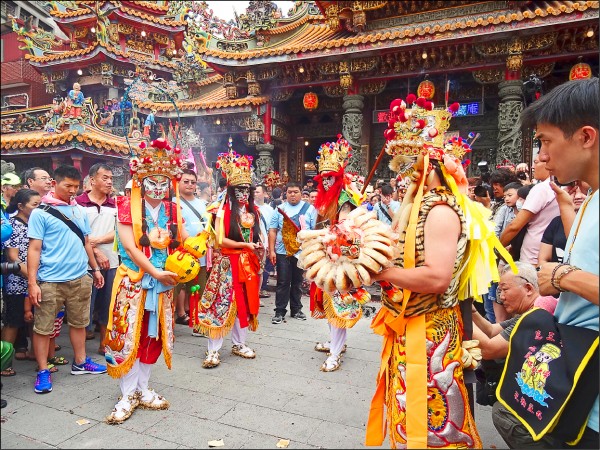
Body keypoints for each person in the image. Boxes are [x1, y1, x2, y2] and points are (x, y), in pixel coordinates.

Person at [365, 95, 509, 448]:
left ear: (428, 165)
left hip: (431, 330)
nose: (401, 175)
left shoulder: (440, 210)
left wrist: (382, 274)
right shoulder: (419, 208)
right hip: (411, 324)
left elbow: (436, 277)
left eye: (407, 165)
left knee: (434, 416)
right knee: (407, 406)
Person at [493, 77, 599, 449]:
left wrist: (564, 276)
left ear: (586, 137)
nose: (540, 157)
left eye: (545, 142)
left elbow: (570, 275)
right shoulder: (586, 204)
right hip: (576, 382)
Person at [104, 137, 187, 424]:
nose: (159, 187)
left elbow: (184, 242)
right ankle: (127, 393)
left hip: (163, 285)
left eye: (164, 181)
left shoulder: (173, 210)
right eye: (153, 180)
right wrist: (154, 272)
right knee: (128, 337)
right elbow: (129, 247)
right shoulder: (126, 205)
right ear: (140, 180)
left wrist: (194, 251)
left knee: (154, 336)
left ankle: (143, 387)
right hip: (133, 283)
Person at [27, 165, 106, 395]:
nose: (72, 191)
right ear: (55, 184)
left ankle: (80, 362)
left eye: (76, 186)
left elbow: (86, 242)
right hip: (50, 280)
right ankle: (43, 369)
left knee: (80, 323)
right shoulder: (40, 213)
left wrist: (95, 270)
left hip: (80, 277)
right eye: (67, 186)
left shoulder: (79, 210)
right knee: (43, 327)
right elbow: (34, 248)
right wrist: (33, 283)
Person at [194, 150, 262, 369]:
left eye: (246, 190)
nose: (243, 194)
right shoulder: (221, 211)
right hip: (227, 265)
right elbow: (221, 241)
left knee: (244, 303)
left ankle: (239, 343)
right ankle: (213, 350)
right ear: (231, 190)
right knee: (220, 304)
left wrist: (257, 248)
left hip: (246, 263)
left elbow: (254, 237)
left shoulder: (254, 212)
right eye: (239, 190)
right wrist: (245, 245)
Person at [309, 135, 367, 372]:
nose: (325, 183)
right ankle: (335, 343)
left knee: (339, 304)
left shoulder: (345, 199)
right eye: (323, 178)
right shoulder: (326, 199)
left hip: (340, 259)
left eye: (330, 178)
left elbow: (344, 230)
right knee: (328, 301)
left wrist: (325, 237)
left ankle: (335, 352)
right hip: (326, 258)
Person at [75, 163, 118, 354]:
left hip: (112, 261)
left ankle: (104, 342)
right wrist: (95, 251)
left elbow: (119, 232)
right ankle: (81, 349)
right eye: (105, 178)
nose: (109, 182)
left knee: (109, 303)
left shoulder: (116, 204)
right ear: (92, 180)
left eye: (111, 178)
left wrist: (96, 242)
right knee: (85, 304)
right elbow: (76, 233)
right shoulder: (78, 204)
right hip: (84, 263)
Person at [1, 190, 42, 377]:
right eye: (34, 205)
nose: (38, 208)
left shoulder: (35, 223)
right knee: (14, 321)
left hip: (34, 279)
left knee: (35, 319)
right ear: (20, 206)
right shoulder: (13, 225)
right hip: (18, 282)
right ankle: (5, 363)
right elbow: (13, 257)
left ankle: (36, 353)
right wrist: (32, 278)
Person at [269, 181, 317, 325]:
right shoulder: (279, 209)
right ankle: (279, 311)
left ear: (302, 193)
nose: (293, 194)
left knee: (297, 281)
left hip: (301, 252)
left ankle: (296, 309)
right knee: (283, 281)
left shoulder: (310, 209)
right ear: (286, 194)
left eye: (296, 192)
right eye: (290, 192)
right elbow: (272, 230)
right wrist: (271, 250)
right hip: (283, 251)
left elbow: (314, 231)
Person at [500, 155, 559, 265]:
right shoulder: (559, 187)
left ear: (548, 163)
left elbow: (515, 226)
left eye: (536, 162)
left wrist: (497, 247)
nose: (532, 167)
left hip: (532, 257)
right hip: (549, 253)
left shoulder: (543, 188)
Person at [174, 169, 207, 327]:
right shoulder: (173, 203)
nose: (189, 185)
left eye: (193, 182)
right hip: (180, 254)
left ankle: (196, 319)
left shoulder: (202, 204)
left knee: (198, 287)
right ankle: (176, 317)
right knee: (176, 287)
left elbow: (209, 227)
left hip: (200, 253)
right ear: (178, 183)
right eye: (185, 181)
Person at [539, 181, 588, 264]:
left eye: (584, 193)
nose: (578, 196)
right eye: (574, 192)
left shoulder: (594, 223)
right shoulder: (556, 222)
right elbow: (543, 259)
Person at [254, 184, 274, 299]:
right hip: (254, 242)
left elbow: (272, 228)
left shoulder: (270, 209)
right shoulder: (249, 207)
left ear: (265, 194)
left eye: (257, 192)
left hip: (266, 242)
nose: (255, 194)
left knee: (263, 269)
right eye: (254, 192)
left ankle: (260, 290)